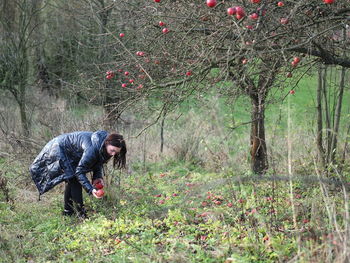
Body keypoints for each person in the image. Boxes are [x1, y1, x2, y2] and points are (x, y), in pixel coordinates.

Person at [29, 131, 127, 218]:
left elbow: (98, 162)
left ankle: (68, 211)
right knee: (74, 180)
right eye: (112, 150)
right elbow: (79, 171)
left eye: (116, 152)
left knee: (71, 179)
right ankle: (81, 214)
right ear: (106, 143)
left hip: (69, 152)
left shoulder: (103, 147)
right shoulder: (92, 149)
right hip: (59, 149)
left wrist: (97, 177)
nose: (113, 154)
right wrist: (91, 189)